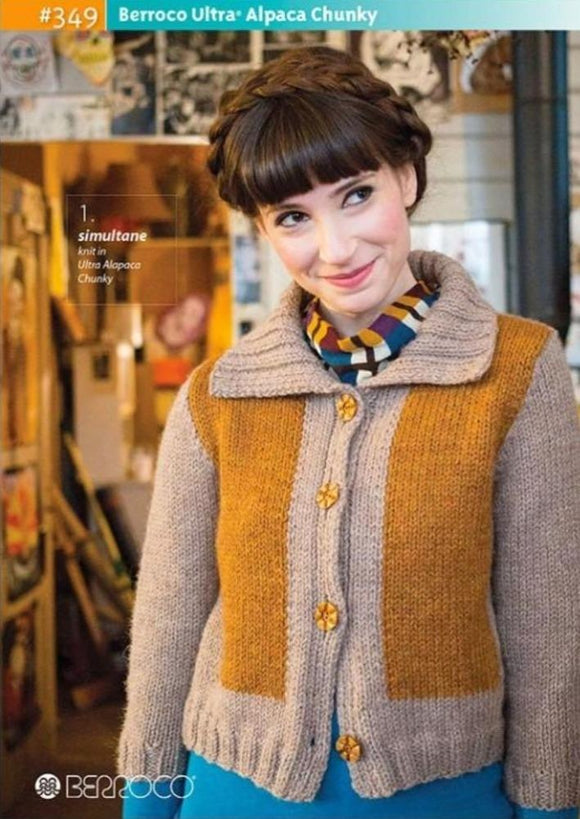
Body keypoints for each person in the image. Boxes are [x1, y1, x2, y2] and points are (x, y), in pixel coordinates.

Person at [118, 46, 579, 819]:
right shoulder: (217, 395)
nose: (334, 249)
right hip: (229, 792)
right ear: (263, 227)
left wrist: (552, 803)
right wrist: (146, 802)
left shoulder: (518, 370)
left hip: (449, 797)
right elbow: (169, 620)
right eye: (293, 216)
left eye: (356, 194)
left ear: (406, 175)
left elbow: (549, 629)